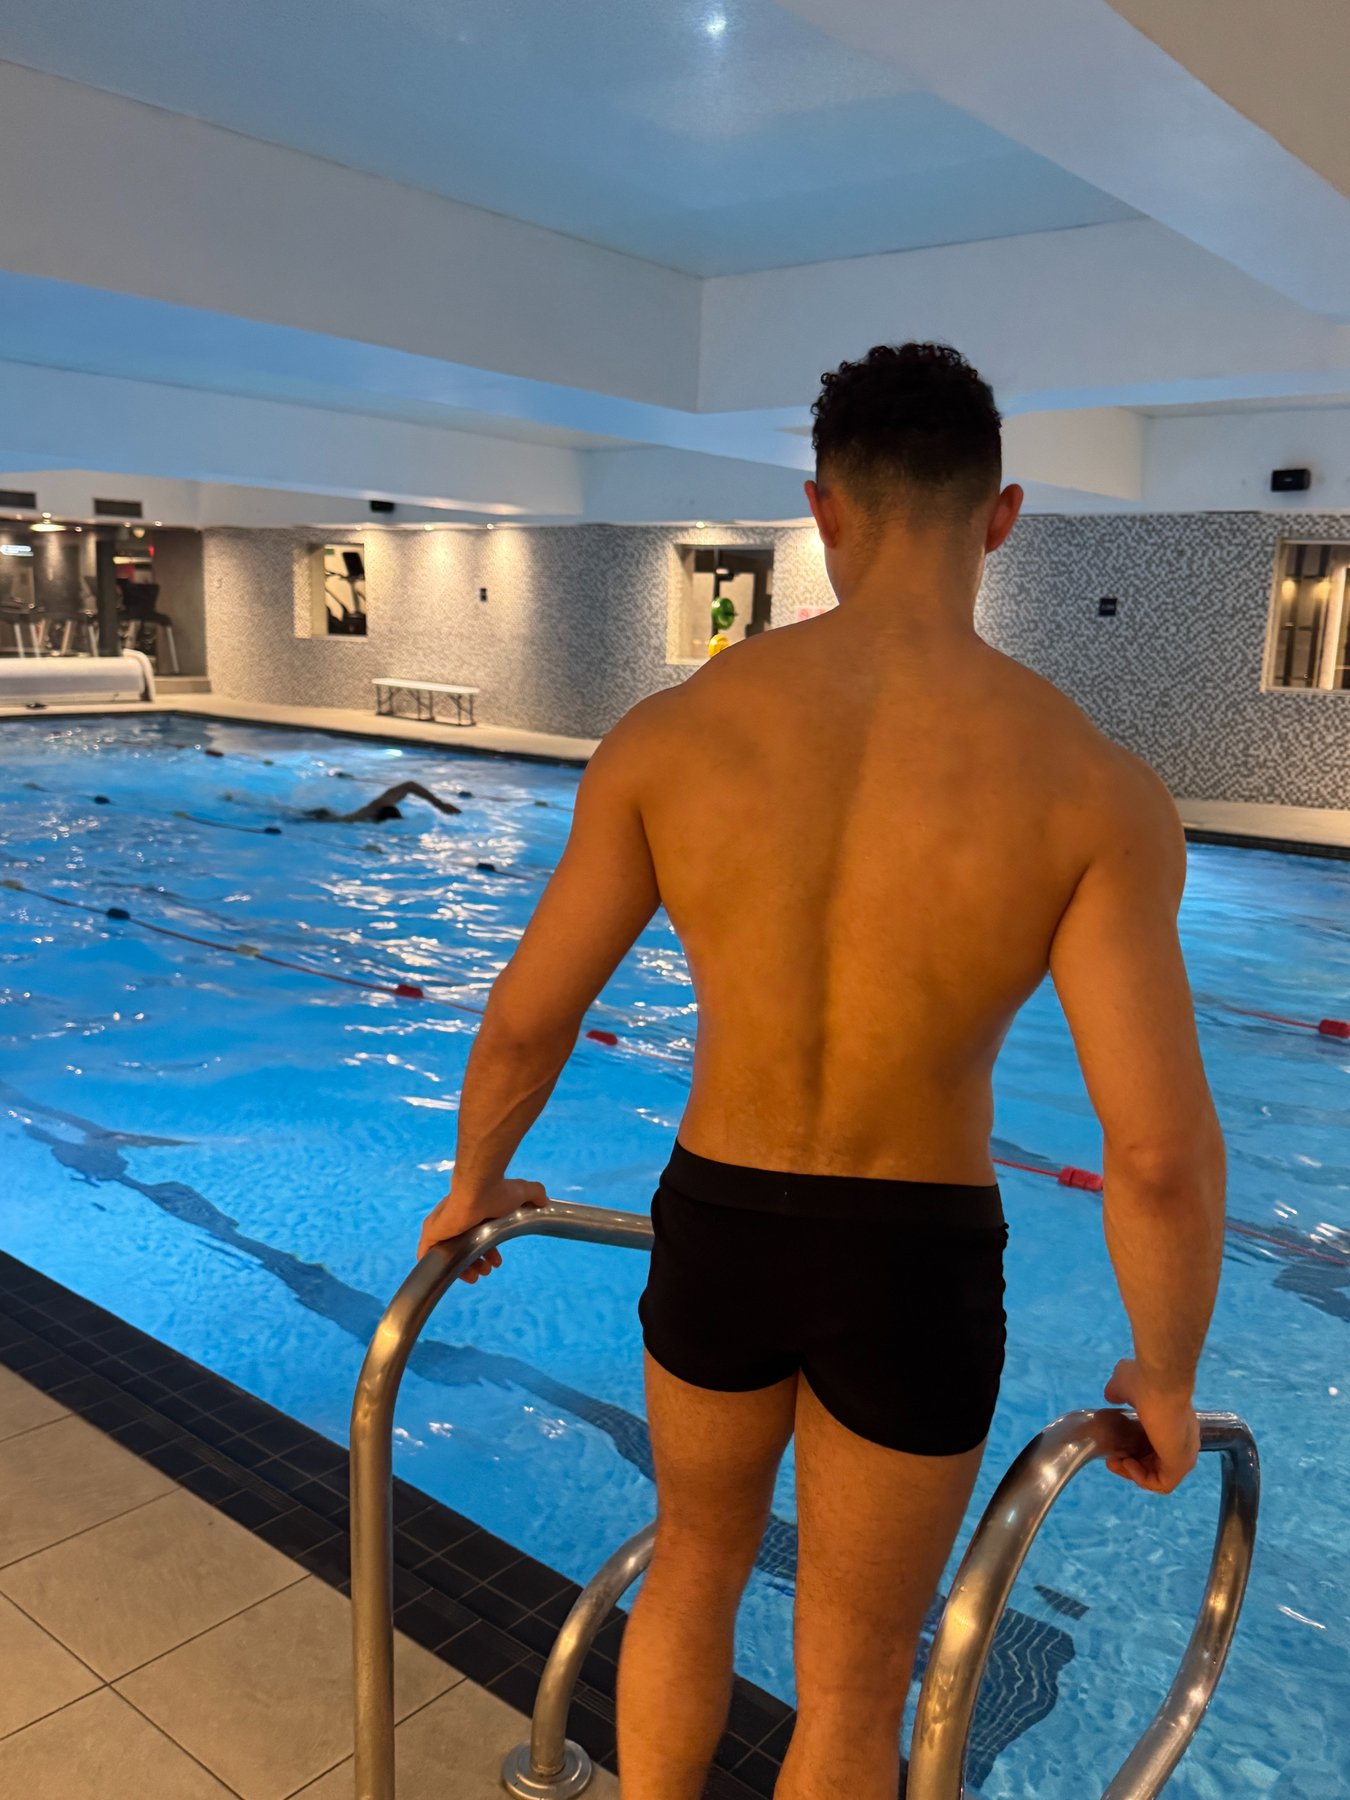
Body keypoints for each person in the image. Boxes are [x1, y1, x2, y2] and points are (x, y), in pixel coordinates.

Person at [417, 342, 1226, 1800]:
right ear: (1001, 518)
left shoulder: (672, 737)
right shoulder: (1091, 786)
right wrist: (1163, 1374)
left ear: (823, 509)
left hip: (721, 1220)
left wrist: (473, 1185)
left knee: (692, 1572)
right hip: (914, 1254)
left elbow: (529, 1019)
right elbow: (1156, 1153)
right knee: (853, 1682)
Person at [299, 779, 461, 823]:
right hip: (324, 816)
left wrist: (438, 804)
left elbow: (410, 785)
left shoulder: (388, 802)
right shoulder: (362, 816)